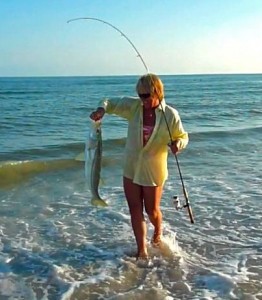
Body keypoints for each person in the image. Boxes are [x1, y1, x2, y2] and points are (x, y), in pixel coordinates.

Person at [90, 73, 189, 259]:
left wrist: (178, 145)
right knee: (135, 209)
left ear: (157, 92)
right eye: (139, 95)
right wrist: (101, 110)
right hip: (131, 167)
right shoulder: (134, 106)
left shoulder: (170, 115)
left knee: (152, 211)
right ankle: (141, 250)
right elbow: (109, 102)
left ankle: (158, 231)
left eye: (145, 96)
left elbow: (183, 136)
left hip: (154, 170)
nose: (142, 99)